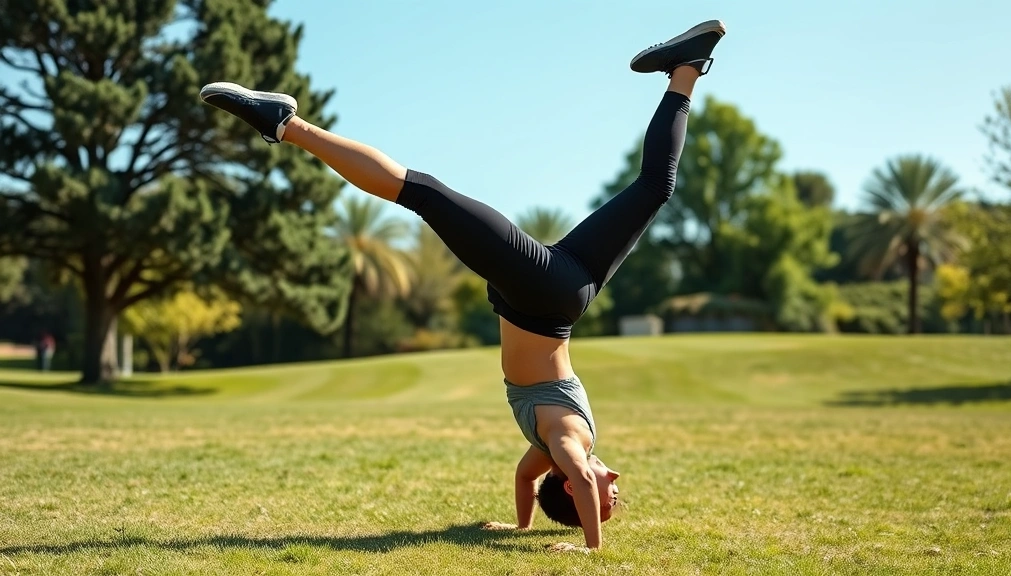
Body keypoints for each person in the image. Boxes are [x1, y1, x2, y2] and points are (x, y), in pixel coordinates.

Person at [200, 18, 726, 552]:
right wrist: (520, 527)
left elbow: (567, 480)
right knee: (653, 188)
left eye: (609, 501)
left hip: (544, 295)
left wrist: (588, 549)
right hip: (560, 295)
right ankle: (685, 68)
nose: (615, 485)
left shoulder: (568, 444)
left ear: (570, 483)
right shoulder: (550, 449)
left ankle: (285, 123)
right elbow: (526, 481)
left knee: (422, 192)